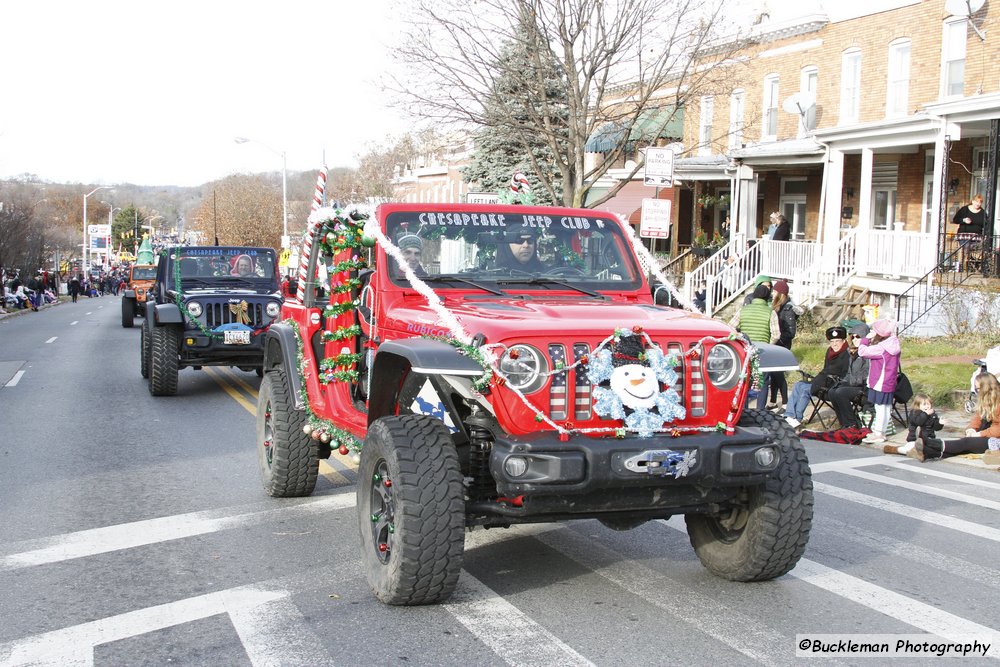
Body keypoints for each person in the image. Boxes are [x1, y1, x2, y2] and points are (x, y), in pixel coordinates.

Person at [906, 373, 1000, 462]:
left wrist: (979, 434)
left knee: (966, 443)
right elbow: (978, 417)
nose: (976, 392)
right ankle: (927, 453)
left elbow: (998, 428)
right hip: (990, 436)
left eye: (978, 389)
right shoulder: (988, 401)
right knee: (963, 447)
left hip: (996, 441)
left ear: (986, 389)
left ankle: (928, 443)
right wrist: (971, 429)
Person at [782, 326, 850, 428]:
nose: (834, 344)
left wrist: (824, 381)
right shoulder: (830, 351)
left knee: (805, 389)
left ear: (844, 341)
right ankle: (790, 416)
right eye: (832, 341)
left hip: (833, 386)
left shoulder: (847, 354)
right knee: (798, 385)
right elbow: (825, 369)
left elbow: (845, 375)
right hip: (822, 381)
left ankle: (797, 419)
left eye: (837, 341)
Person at [730, 283, 779, 410]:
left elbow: (730, 328)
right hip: (762, 351)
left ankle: (743, 409)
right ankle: (760, 410)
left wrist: (741, 341)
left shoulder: (743, 310)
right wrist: (769, 345)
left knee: (745, 380)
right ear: (768, 297)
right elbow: (776, 335)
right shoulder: (771, 312)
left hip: (746, 351)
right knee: (762, 383)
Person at [857, 318, 902, 445]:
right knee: (886, 407)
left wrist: (865, 339)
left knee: (880, 407)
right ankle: (881, 432)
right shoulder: (893, 343)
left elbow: (862, 352)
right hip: (889, 381)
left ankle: (878, 433)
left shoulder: (882, 348)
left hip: (879, 381)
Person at [826, 323, 872, 428]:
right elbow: (849, 373)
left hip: (866, 388)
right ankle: (844, 423)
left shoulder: (869, 352)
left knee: (841, 392)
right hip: (855, 384)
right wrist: (842, 381)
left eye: (858, 337)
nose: (855, 339)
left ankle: (852, 424)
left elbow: (867, 374)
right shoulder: (852, 351)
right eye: (853, 337)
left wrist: (851, 381)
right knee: (833, 391)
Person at [766, 280, 798, 411]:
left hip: (782, 346)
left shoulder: (788, 308)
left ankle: (785, 403)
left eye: (775, 291)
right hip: (776, 345)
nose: (772, 293)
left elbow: (791, 332)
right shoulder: (777, 307)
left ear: (780, 293)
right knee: (773, 374)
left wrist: (778, 341)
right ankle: (773, 401)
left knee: (779, 374)